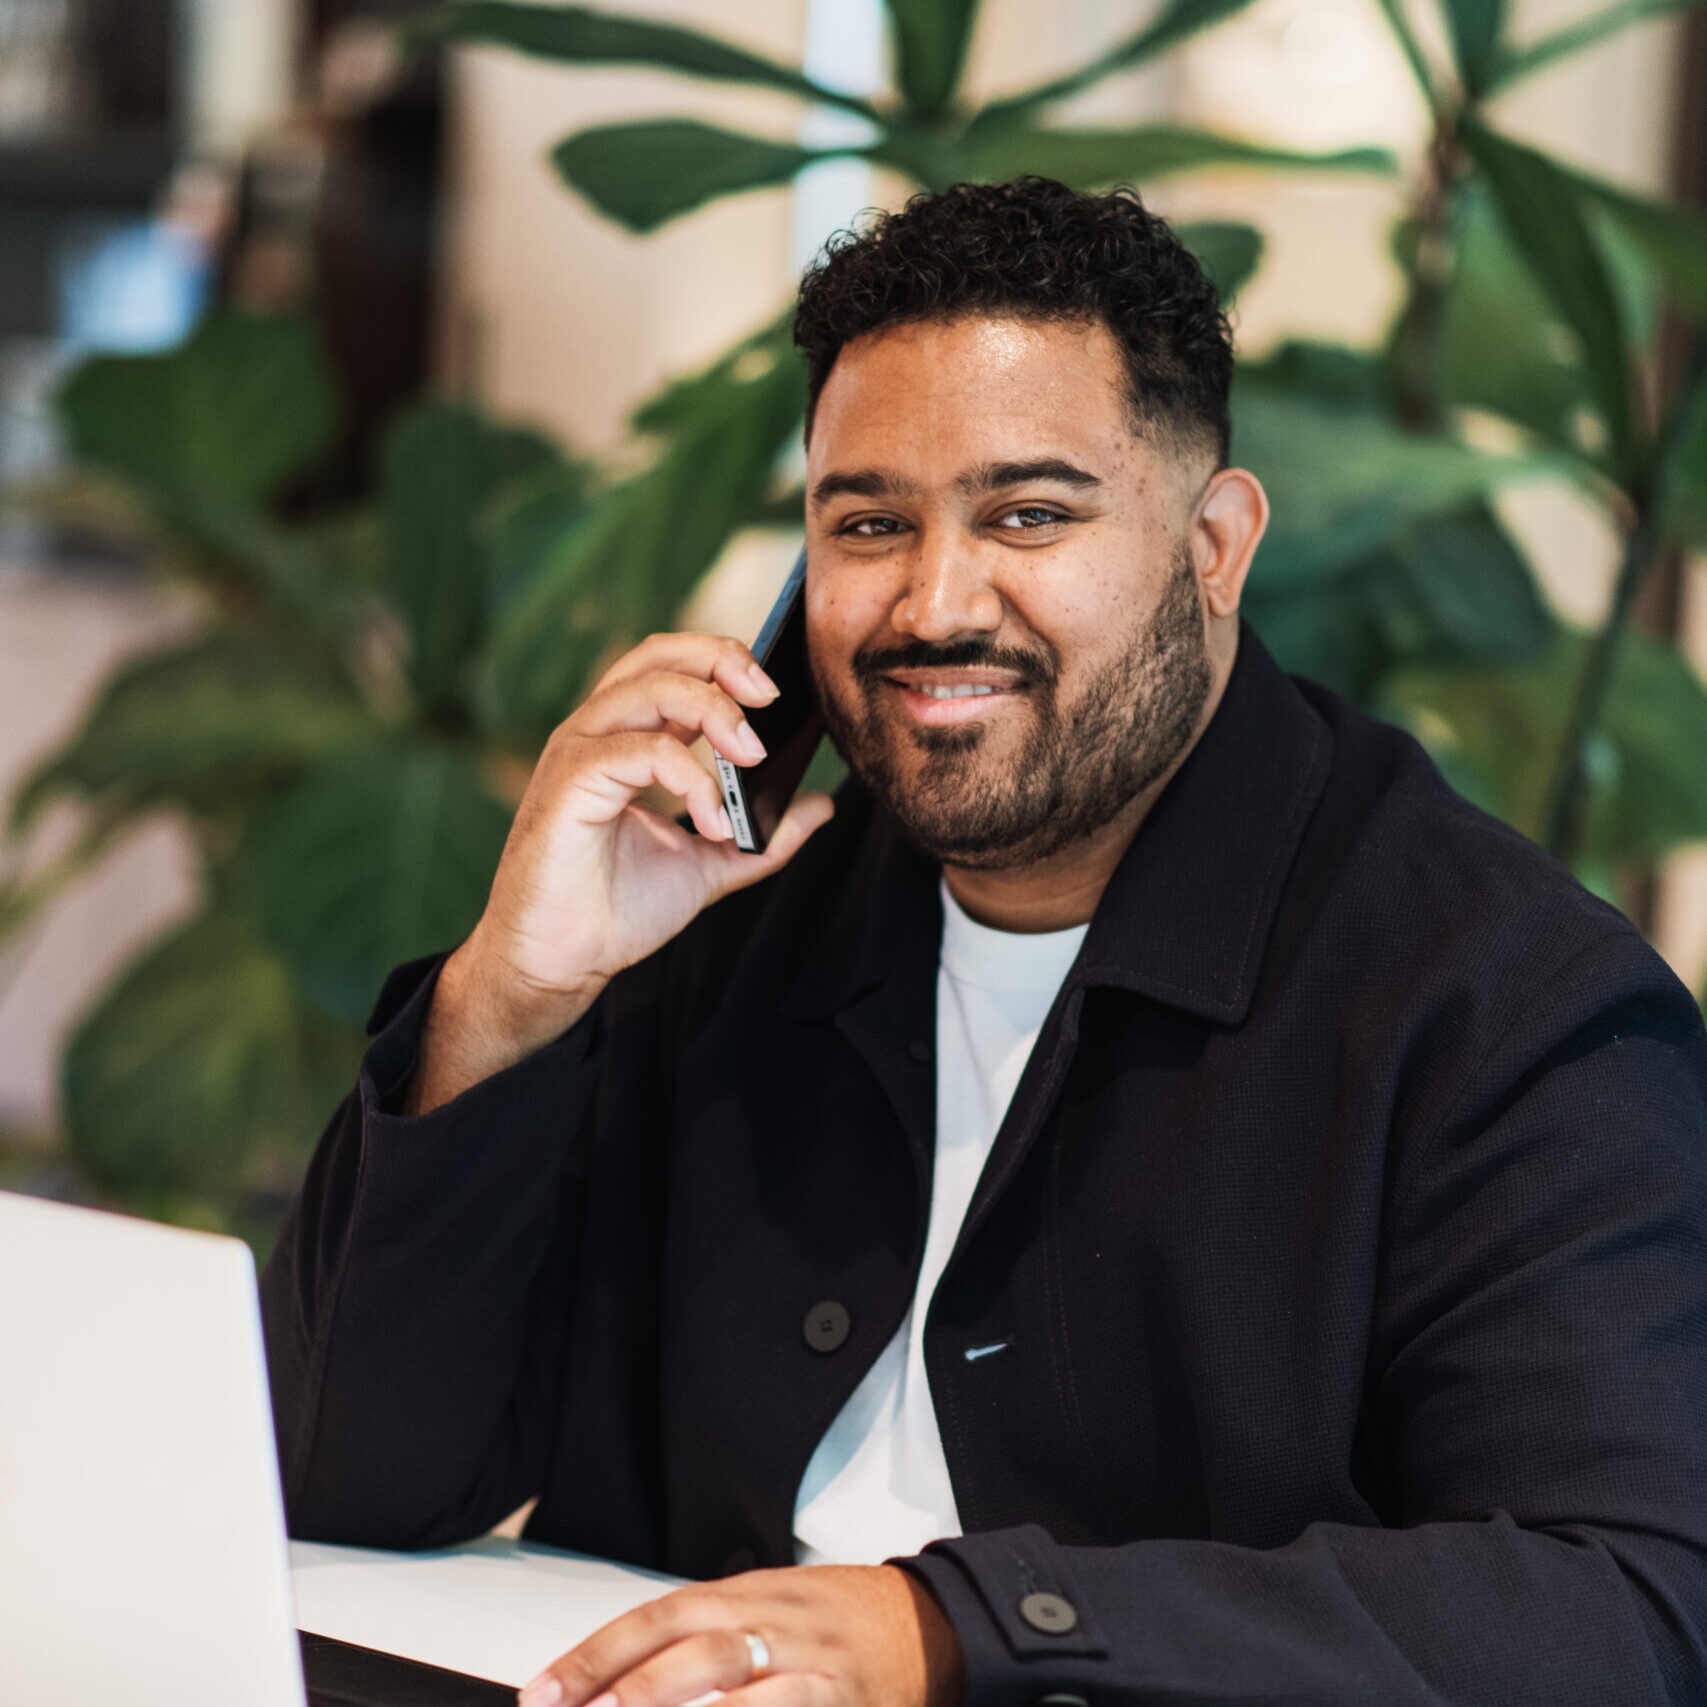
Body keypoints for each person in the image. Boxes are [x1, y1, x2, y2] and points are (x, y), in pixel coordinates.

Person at [261, 179, 1707, 1707]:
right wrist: (516, 986)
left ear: (1214, 546)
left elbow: (1628, 1606)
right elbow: (342, 1483)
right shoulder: (716, 916)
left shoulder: (1510, 1010)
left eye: (1029, 513)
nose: (936, 603)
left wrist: (954, 1631)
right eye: (868, 523)